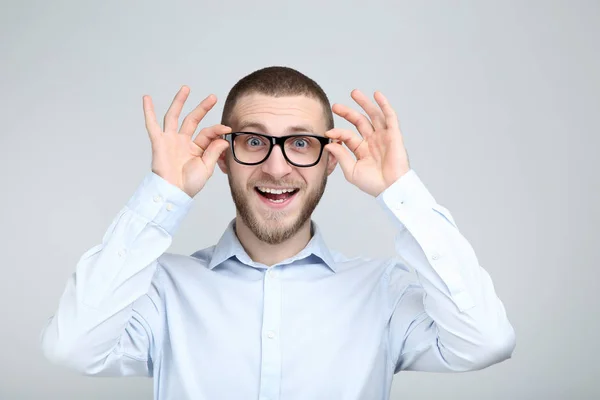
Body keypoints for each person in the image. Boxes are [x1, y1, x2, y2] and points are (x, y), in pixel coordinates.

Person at [40, 66, 515, 400]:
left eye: (301, 143)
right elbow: (72, 347)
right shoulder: (162, 290)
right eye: (253, 140)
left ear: (330, 160)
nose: (276, 165)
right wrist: (162, 195)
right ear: (223, 157)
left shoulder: (384, 292)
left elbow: (484, 341)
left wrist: (401, 193)